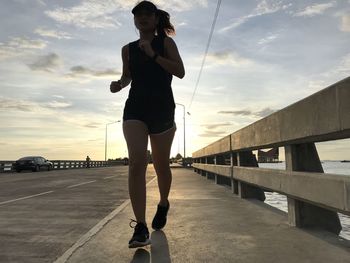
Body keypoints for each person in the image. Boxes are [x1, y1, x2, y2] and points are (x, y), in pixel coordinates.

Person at [110, 1, 185, 248]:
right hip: (135, 109)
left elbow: (180, 71)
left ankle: (163, 202)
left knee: (162, 165)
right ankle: (140, 226)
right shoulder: (127, 49)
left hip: (162, 108)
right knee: (137, 164)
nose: (142, 17)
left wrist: (153, 54)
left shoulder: (166, 43)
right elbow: (128, 75)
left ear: (155, 19)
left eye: (147, 14)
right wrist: (119, 84)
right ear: (134, 20)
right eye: (138, 15)